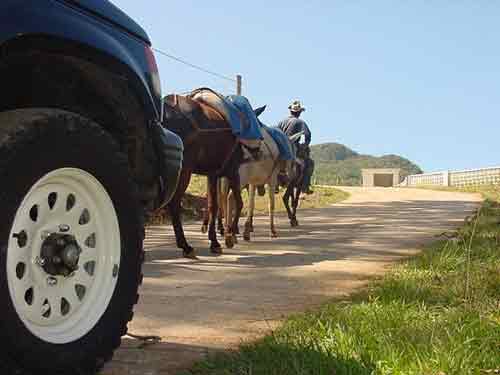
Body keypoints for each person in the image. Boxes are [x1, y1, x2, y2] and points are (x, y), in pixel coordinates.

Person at [276, 100, 315, 194]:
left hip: (280, 147)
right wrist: (304, 145)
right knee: (309, 163)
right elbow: (308, 135)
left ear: (291, 111)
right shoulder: (300, 122)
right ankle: (305, 187)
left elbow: (277, 133)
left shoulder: (282, 121)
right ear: (299, 113)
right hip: (293, 147)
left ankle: (275, 185)